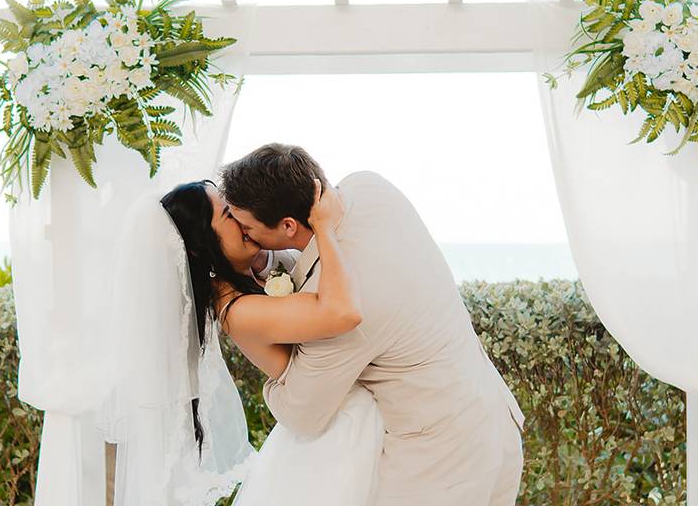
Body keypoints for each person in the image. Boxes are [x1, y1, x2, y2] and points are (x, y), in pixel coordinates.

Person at [219, 143, 527, 506]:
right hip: (497, 424)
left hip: (439, 466)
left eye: (248, 227)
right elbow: (323, 251)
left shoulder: (338, 306)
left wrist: (262, 355)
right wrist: (266, 262)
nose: (245, 234)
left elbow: (303, 414)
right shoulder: (370, 189)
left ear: (287, 225)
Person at [159, 177, 384, 504]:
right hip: (336, 434)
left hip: (343, 416)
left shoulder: (243, 281)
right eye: (229, 216)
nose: (243, 219)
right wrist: (324, 228)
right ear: (200, 245)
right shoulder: (237, 311)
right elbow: (341, 312)